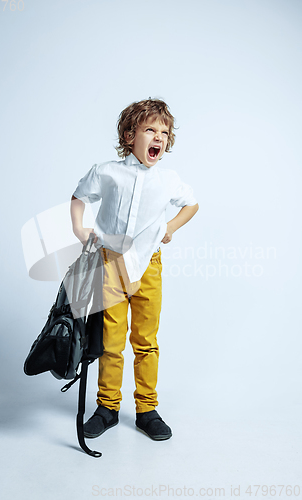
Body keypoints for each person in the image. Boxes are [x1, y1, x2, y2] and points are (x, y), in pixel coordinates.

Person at [70, 98, 199, 441]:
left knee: (146, 341)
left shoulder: (169, 179)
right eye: (150, 130)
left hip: (149, 266)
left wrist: (170, 227)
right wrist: (80, 229)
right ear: (130, 135)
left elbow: (192, 203)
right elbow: (79, 196)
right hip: (111, 262)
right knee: (111, 341)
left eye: (164, 132)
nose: (159, 136)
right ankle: (107, 407)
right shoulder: (107, 172)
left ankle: (146, 409)